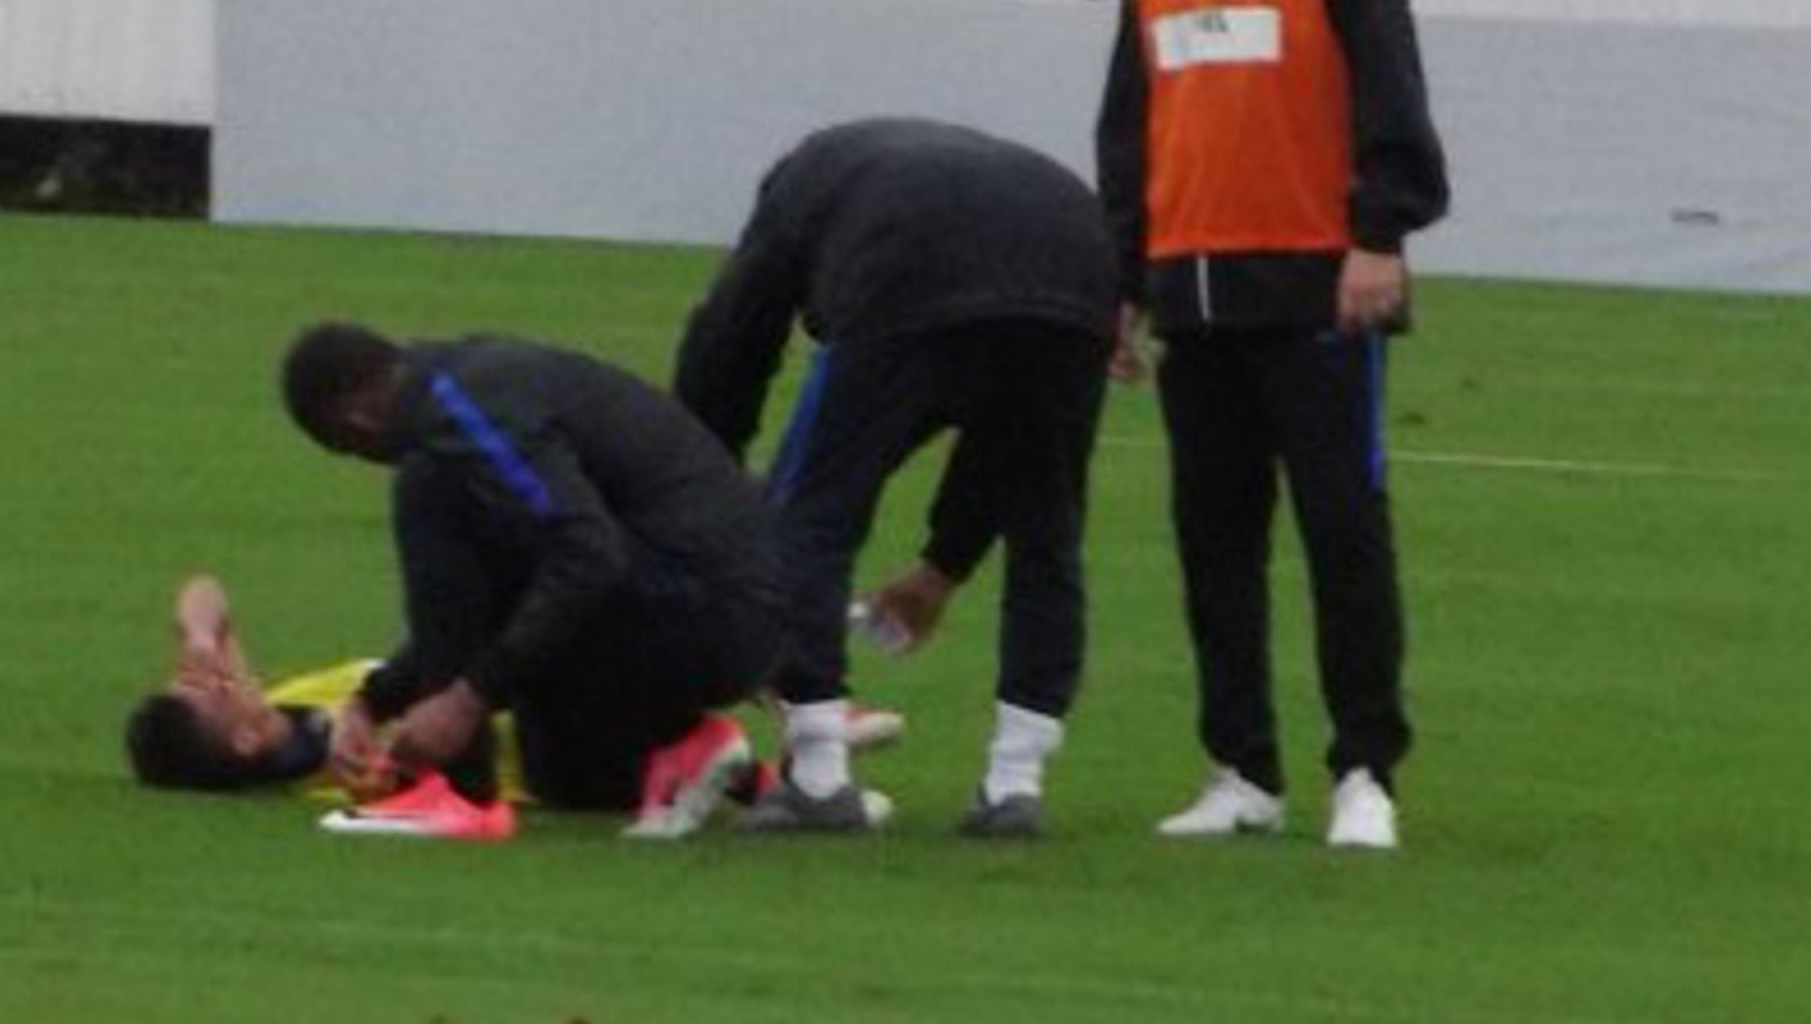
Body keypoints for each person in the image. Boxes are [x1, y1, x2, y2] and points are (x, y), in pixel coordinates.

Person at [1072, 0, 1450, 852]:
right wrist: (1125, 277)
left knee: (1344, 532)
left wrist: (1381, 231)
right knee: (1214, 544)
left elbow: (1387, 64)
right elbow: (1131, 121)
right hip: (1194, 291)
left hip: (1320, 283)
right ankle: (1242, 769)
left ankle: (1365, 772)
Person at [672, 117, 1122, 837]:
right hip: (1080, 266)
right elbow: (1002, 449)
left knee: (815, 510)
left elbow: (731, 339)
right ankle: (1015, 784)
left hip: (911, 262)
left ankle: (818, 775)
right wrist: (945, 565)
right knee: (1048, 524)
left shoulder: (798, 190)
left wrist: (698, 475)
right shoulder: (874, 167)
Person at [276, 322, 787, 840]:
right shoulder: (465, 379)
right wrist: (375, 701)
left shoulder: (459, 422)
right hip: (734, 608)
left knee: (430, 488)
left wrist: (464, 700)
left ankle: (459, 791)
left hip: (707, 610)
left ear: (357, 420)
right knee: (563, 772)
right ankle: (702, 751)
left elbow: (589, 556)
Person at [119, 572, 417, 801]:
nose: (224, 668)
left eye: (197, 675)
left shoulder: (280, 707)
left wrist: (200, 640)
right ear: (247, 739)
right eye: (220, 685)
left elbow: (204, 592)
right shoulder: (346, 773)